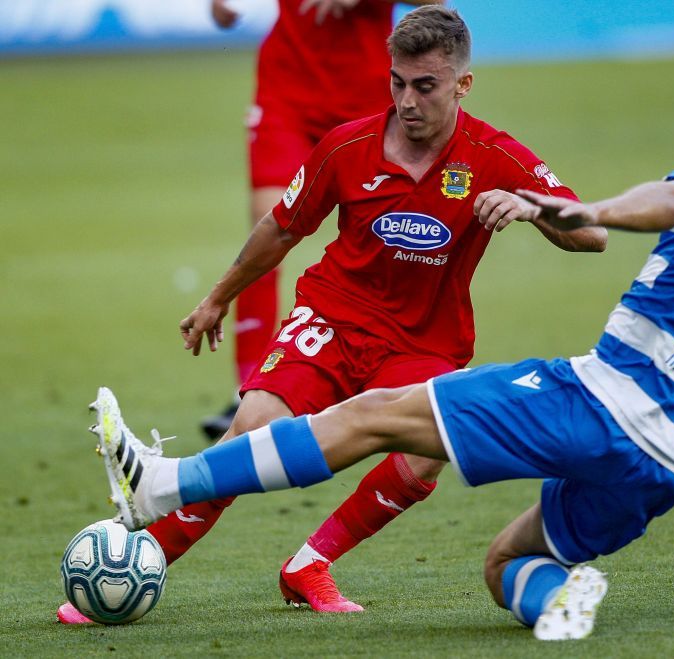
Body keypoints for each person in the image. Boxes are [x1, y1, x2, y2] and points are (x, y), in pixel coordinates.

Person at [84, 47, 674, 640]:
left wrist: (595, 210)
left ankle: (161, 485)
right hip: (668, 461)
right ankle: (561, 601)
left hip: (598, 401)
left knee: (371, 417)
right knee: (507, 561)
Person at [57, 5, 598, 625]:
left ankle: (310, 564)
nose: (408, 101)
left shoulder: (494, 155)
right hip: (333, 317)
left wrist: (535, 207)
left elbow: (593, 234)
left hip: (423, 341)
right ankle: (142, 559)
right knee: (252, 427)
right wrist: (218, 297)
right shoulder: (347, 144)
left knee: (429, 448)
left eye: (425, 85)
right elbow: (282, 228)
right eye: (398, 83)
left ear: (463, 84)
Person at [202, 0, 441, 438]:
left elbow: (439, 5)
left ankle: (378, 379)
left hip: (366, 99)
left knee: (386, 241)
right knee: (271, 225)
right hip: (287, 91)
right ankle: (249, 392)